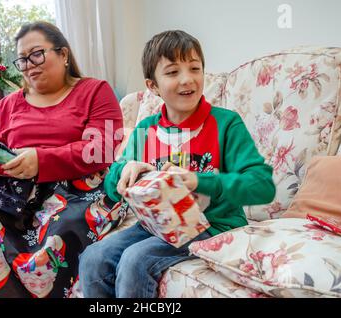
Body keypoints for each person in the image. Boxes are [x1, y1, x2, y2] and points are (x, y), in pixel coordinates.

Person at [78, 30, 276, 298]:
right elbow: (113, 189)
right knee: (93, 257)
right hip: (155, 224)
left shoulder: (226, 123)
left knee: (136, 260)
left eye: (194, 68)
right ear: (153, 86)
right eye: (172, 72)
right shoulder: (146, 129)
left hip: (213, 225)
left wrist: (198, 181)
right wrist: (124, 171)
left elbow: (262, 186)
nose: (187, 79)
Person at [0, 21, 124, 298]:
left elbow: (103, 149)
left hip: (78, 192)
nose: (29, 64)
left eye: (37, 54)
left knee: (56, 239)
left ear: (64, 55)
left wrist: (41, 160)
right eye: (22, 59)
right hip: (15, 194)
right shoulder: (10, 103)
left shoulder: (95, 91)